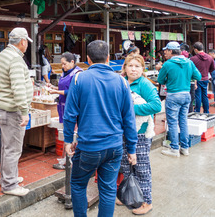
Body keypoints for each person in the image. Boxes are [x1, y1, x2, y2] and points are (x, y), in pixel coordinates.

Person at [63, 40, 138, 217]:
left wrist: (68, 140)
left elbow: (69, 114)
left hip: (89, 146)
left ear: (88, 59)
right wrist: (132, 149)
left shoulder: (79, 78)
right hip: (114, 147)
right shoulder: (121, 82)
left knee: (78, 184)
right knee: (108, 190)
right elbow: (129, 118)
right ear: (109, 58)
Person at [118, 54, 161, 215]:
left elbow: (156, 106)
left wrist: (131, 110)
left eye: (137, 66)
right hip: (124, 132)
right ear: (125, 68)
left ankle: (146, 201)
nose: (133, 69)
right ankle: (129, 196)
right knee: (127, 167)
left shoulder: (144, 84)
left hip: (140, 134)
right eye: (130, 66)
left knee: (142, 169)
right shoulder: (122, 82)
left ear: (142, 69)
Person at [0, 27, 33, 196]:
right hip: (12, 109)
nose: (27, 46)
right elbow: (17, 87)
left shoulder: (3, 54)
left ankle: (8, 177)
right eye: (26, 43)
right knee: (13, 148)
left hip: (3, 105)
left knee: (7, 145)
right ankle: (9, 185)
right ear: (23, 42)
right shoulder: (16, 60)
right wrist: (24, 111)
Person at [158, 41, 201, 158]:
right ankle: (185, 148)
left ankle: (174, 148)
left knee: (172, 122)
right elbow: (198, 76)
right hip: (186, 94)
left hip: (173, 95)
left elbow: (160, 80)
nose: (165, 52)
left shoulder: (167, 64)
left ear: (171, 51)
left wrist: (169, 79)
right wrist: (187, 77)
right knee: (183, 121)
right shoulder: (189, 62)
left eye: (166, 50)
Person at [47, 52, 83, 170]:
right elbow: (63, 88)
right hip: (63, 107)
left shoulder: (77, 74)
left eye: (64, 64)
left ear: (72, 62)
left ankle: (70, 160)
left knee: (72, 134)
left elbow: (72, 92)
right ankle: (66, 159)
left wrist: (56, 92)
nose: (63, 66)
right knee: (66, 132)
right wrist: (54, 88)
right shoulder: (65, 72)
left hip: (73, 109)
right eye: (61, 64)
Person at [190, 42, 215, 114]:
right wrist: (206, 71)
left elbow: (191, 70)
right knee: (205, 95)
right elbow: (213, 68)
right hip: (205, 78)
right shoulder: (210, 58)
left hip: (197, 80)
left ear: (196, 49)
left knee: (197, 96)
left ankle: (197, 111)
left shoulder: (193, 59)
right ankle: (206, 111)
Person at [181, 44, 195, 113]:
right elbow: (197, 76)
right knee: (190, 100)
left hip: (182, 85)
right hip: (190, 83)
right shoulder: (191, 62)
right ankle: (189, 114)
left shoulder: (176, 62)